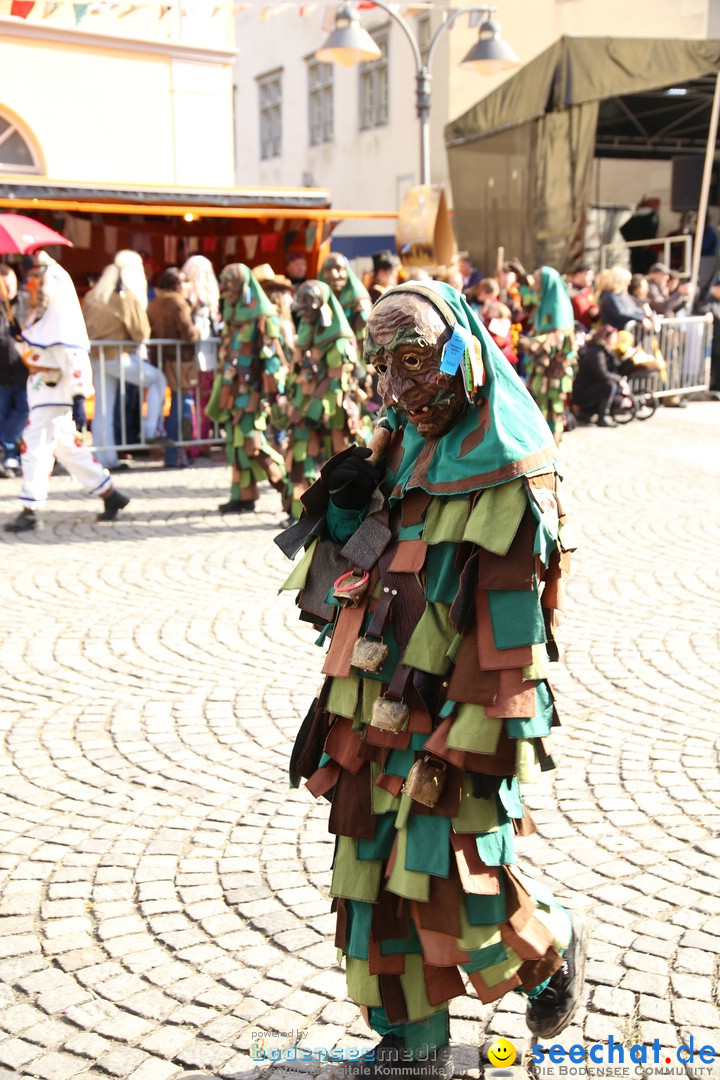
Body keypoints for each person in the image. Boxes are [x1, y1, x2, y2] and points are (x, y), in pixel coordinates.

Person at [277, 280, 587, 1079]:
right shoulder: (395, 447)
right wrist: (343, 523)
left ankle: (549, 949)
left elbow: (512, 641)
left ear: (463, 354)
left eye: (415, 361)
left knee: (458, 880)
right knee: (371, 874)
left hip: (455, 711)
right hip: (367, 703)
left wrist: (462, 744)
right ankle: (412, 1044)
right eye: (384, 368)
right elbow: (331, 597)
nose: (402, 389)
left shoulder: (510, 469)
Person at [4, 252, 129, 532]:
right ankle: (110, 494)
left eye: (35, 277)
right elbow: (36, 351)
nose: (29, 283)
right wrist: (18, 335)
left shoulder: (61, 321)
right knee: (67, 449)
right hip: (43, 393)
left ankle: (30, 508)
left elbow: (73, 359)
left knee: (35, 448)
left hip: (53, 394)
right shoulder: (43, 317)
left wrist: (79, 397)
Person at [205, 263, 286, 515]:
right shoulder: (232, 314)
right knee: (236, 444)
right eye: (224, 282)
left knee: (252, 442)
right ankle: (242, 496)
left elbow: (273, 359)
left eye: (231, 282)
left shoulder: (264, 317)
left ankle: (291, 491)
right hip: (233, 391)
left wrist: (276, 394)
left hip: (253, 392)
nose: (225, 288)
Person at [82, 250, 167, 470]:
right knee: (157, 379)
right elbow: (141, 332)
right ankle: (151, 429)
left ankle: (104, 458)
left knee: (103, 409)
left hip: (96, 357)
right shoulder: (125, 297)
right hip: (117, 357)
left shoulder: (94, 295)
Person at [282, 279, 358, 522]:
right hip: (304, 404)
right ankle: (299, 509)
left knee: (339, 453)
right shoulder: (305, 331)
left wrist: (320, 405)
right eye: (300, 306)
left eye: (309, 305)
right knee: (299, 451)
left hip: (331, 407)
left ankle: (347, 505)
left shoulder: (338, 336)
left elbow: (339, 375)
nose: (304, 311)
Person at [147, 266, 200, 468]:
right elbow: (188, 333)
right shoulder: (178, 303)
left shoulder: (153, 304)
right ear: (177, 285)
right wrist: (199, 332)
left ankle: (172, 455)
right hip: (180, 361)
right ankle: (175, 455)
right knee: (181, 408)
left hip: (161, 359)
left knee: (168, 407)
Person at [523, 266, 576, 444]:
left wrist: (532, 344)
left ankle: (551, 443)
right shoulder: (542, 304)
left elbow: (557, 341)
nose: (535, 286)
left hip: (553, 374)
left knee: (553, 408)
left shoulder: (558, 308)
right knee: (537, 407)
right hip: (539, 372)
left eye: (538, 282)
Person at [182, 254, 221, 449]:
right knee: (197, 399)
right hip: (198, 355)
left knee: (201, 399)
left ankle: (200, 442)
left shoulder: (209, 293)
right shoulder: (193, 293)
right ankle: (199, 442)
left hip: (204, 355)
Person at [0, 264, 29, 478]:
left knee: (23, 410)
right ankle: (8, 457)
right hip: (2, 372)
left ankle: (9, 447)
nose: (8, 289)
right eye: (3, 285)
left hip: (24, 369)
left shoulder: (26, 301)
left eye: (10, 284)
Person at [572, 324, 625, 427]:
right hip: (583, 392)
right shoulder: (596, 352)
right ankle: (602, 417)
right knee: (609, 385)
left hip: (593, 388)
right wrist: (620, 380)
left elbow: (615, 369)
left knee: (617, 400)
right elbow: (602, 374)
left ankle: (589, 413)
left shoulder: (606, 351)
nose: (615, 341)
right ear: (606, 338)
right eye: (613, 338)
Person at [320, 252, 372, 344]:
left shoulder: (361, 304)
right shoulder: (318, 302)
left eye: (339, 269)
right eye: (328, 270)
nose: (334, 275)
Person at [595, 266, 654, 332]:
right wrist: (641, 319)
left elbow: (634, 310)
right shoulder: (609, 297)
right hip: (616, 335)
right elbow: (621, 314)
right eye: (626, 281)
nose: (628, 284)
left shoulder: (623, 295)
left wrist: (645, 317)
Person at [695, 273, 720, 399]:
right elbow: (701, 309)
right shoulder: (708, 300)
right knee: (714, 365)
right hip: (714, 341)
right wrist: (707, 314)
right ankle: (714, 388)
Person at [566, 263, 599, 330]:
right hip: (572, 330)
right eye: (590, 275)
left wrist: (595, 313)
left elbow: (594, 306)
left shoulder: (588, 291)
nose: (592, 278)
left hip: (586, 330)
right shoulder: (568, 291)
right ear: (579, 274)